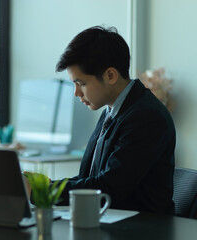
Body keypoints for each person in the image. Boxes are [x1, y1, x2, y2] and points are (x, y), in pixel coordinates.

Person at [25, 26, 176, 215]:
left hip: (141, 228)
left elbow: (109, 187)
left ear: (110, 75)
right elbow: (89, 178)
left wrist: (44, 191)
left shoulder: (147, 117)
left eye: (82, 84)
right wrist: (48, 185)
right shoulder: (111, 110)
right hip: (108, 220)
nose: (76, 93)